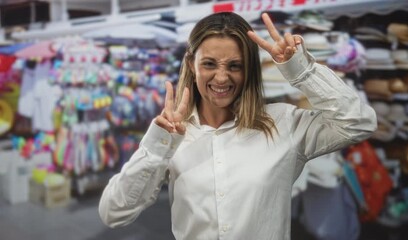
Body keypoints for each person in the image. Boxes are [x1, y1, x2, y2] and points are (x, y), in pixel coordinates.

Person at [99, 11, 377, 240]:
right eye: (209, 64)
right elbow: (114, 212)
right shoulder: (174, 136)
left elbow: (359, 123)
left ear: (249, 71)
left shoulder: (284, 123)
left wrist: (300, 70)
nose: (222, 78)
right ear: (191, 64)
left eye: (235, 66)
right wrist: (158, 147)